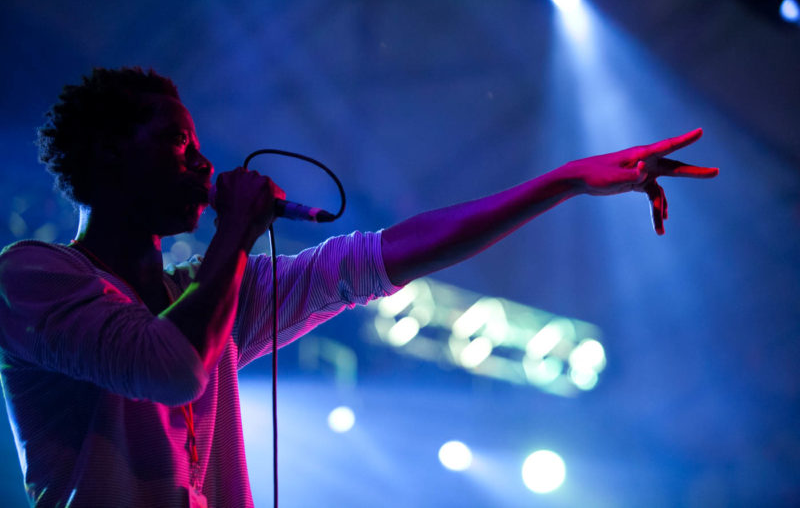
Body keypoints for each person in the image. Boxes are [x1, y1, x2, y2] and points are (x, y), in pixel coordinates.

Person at [0, 67, 718, 507]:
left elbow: (383, 256)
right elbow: (169, 366)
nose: (201, 162)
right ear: (106, 153)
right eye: (176, 144)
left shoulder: (209, 296)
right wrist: (237, 232)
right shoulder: (31, 277)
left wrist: (562, 182)